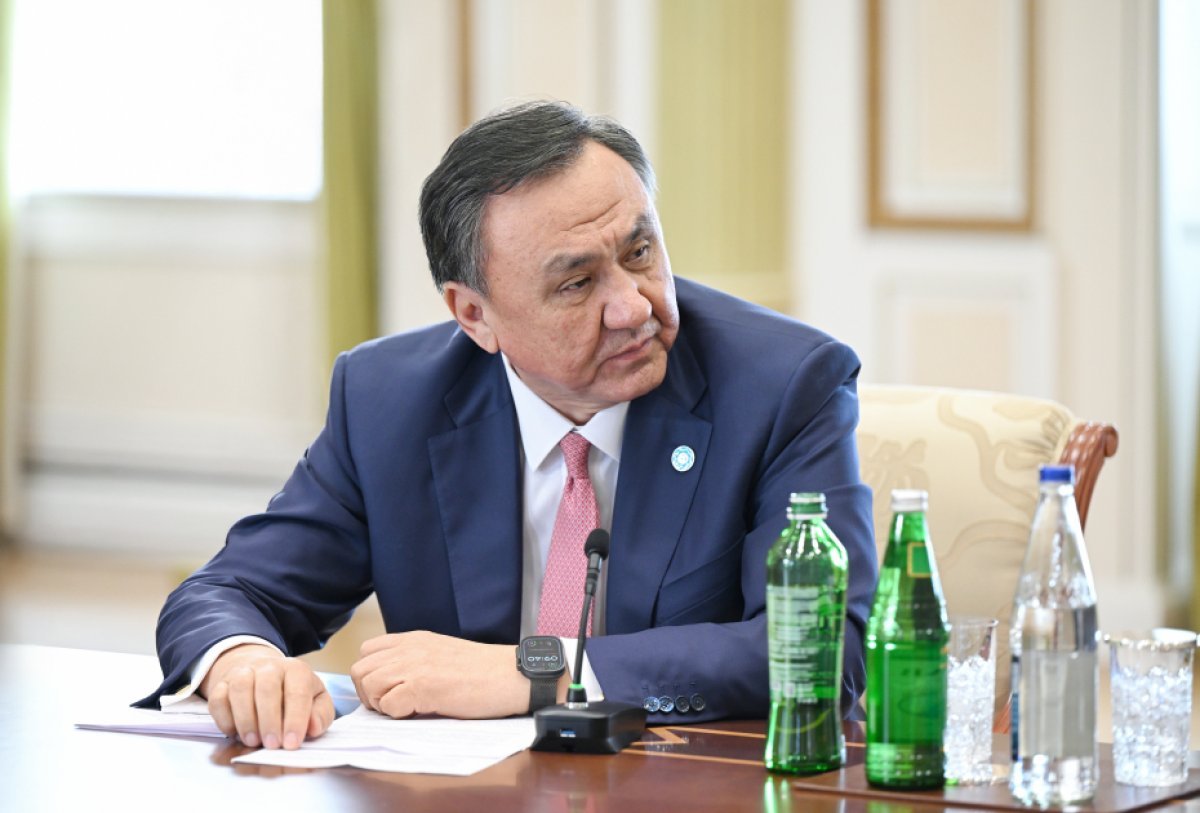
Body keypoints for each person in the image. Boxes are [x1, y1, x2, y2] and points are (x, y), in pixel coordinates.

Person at [141, 101, 877, 751]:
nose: (633, 305)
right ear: (474, 314)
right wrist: (242, 661)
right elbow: (229, 592)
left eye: (640, 252)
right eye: (577, 283)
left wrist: (537, 670)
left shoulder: (785, 385)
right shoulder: (388, 401)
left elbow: (821, 650)